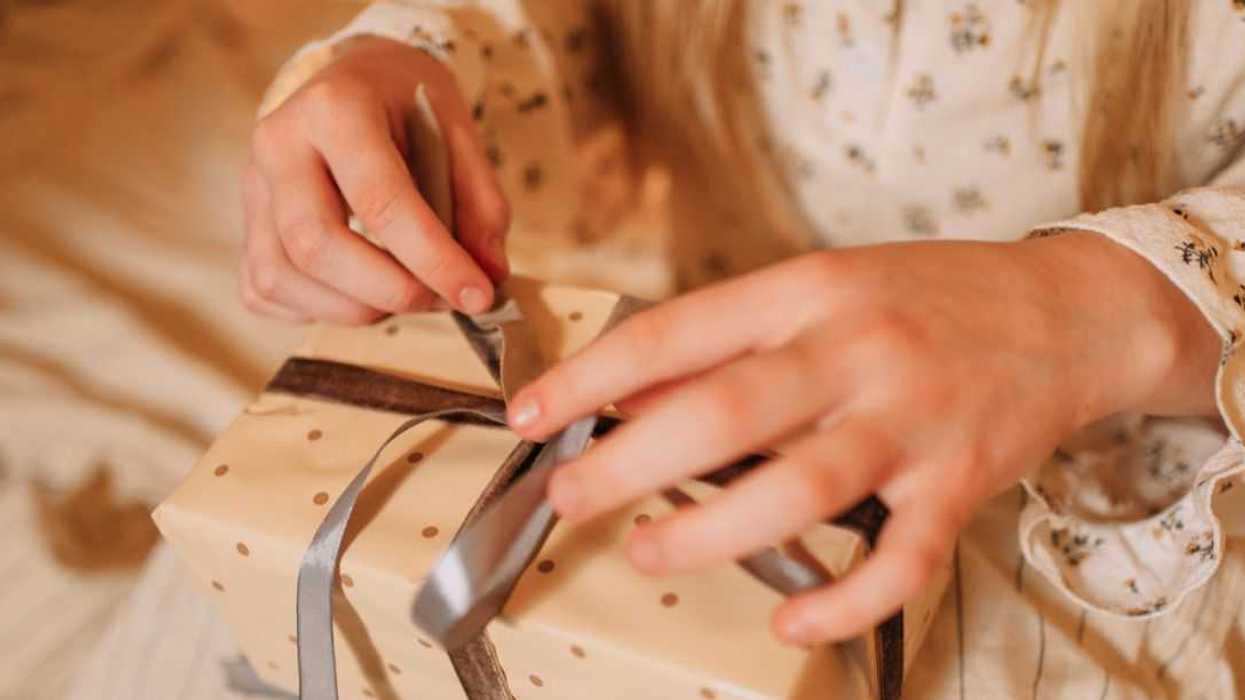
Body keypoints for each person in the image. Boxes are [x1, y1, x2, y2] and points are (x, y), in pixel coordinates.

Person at [240, 0, 1245, 686]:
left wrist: (1085, 308)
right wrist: (416, 57)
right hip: (717, 421)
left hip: (1141, 519)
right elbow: (562, 23)